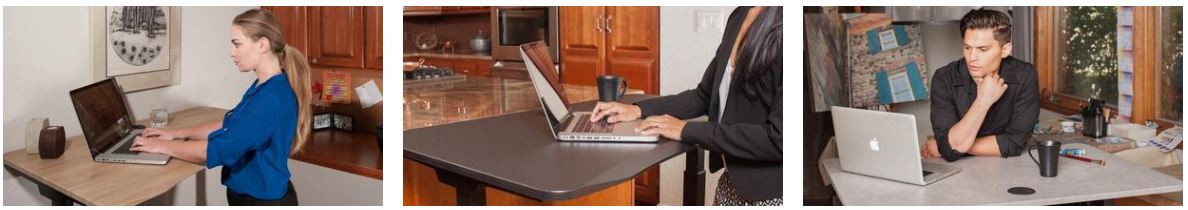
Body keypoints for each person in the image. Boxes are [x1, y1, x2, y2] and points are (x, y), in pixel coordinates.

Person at [588, 6, 782, 206]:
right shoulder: (739, 15)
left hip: (769, 195)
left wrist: (686, 130)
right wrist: (638, 109)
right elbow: (703, 96)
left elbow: (779, 139)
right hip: (731, 184)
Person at [128, 9, 312, 206]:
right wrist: (176, 134)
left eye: (237, 44)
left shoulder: (272, 98)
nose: (231, 52)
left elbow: (221, 149)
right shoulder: (263, 85)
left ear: (262, 44)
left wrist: (161, 146)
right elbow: (230, 124)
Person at [920, 9, 1040, 162]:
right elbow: (950, 148)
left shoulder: (1025, 75)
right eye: (967, 47)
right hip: (959, 175)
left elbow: (1014, 143)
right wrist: (983, 101)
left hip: (1008, 169)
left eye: (982, 49)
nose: (972, 58)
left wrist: (947, 146)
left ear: (1005, 50)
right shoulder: (944, 78)